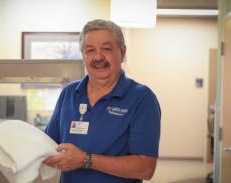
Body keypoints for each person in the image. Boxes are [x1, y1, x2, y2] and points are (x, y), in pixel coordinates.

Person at [43, 19, 161, 183]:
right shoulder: (69, 93)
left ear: (122, 52)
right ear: (83, 55)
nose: (98, 57)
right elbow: (48, 145)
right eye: (90, 50)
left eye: (106, 49)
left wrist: (85, 159)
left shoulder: (141, 98)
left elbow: (145, 168)